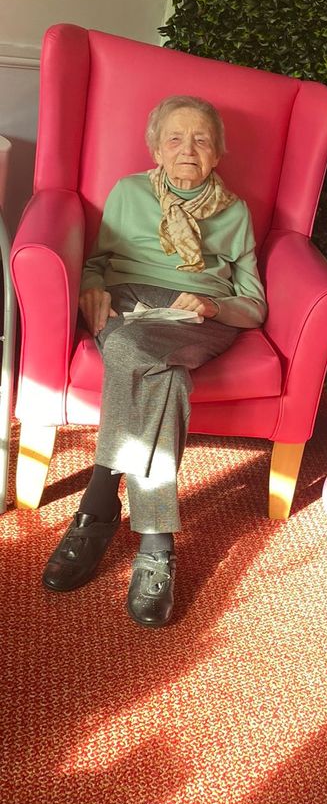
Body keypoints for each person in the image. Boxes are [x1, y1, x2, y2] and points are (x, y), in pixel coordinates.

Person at [41, 96, 267, 628]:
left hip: (199, 314)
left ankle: (98, 507)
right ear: (155, 148)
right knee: (154, 369)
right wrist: (92, 286)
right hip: (128, 297)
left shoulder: (234, 212)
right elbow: (97, 261)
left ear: (217, 153)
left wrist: (214, 305)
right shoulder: (129, 192)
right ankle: (155, 542)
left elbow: (253, 305)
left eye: (201, 140)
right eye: (175, 138)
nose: (187, 149)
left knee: (125, 348)